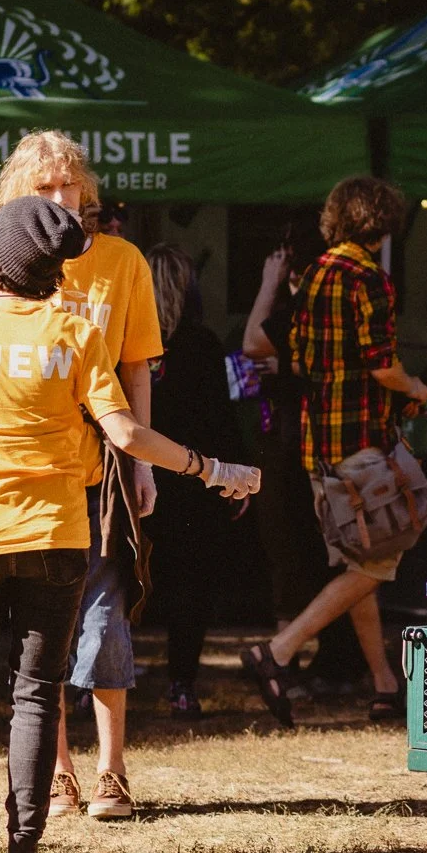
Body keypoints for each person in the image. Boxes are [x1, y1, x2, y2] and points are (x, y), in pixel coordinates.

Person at [0, 198, 258, 853]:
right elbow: (127, 434)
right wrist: (212, 468)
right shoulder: (77, 334)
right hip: (57, 536)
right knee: (36, 694)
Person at [0, 133, 164, 826]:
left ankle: (112, 771)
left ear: (86, 190)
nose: (60, 198)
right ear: (18, 195)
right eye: (44, 188)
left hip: (107, 465)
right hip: (35, 465)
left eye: (69, 185)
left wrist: (143, 462)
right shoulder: (2, 260)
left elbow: (137, 366)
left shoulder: (122, 260)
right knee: (43, 623)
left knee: (107, 616)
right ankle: (57, 773)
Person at [239, 176, 427, 728]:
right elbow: (383, 366)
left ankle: (383, 684)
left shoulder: (317, 272)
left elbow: (296, 356)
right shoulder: (370, 278)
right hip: (363, 442)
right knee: (382, 557)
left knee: (357, 561)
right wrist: (417, 387)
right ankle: (278, 651)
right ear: (383, 222)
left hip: (316, 444)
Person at [240, 225, 370, 699]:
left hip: (301, 447)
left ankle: (298, 658)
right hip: (311, 445)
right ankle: (318, 660)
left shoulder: (306, 308)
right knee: (319, 556)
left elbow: (252, 342)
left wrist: (269, 284)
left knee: (303, 554)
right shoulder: (325, 307)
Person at [144, 244, 245, 718]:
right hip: (194, 479)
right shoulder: (203, 344)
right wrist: (233, 475)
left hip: (137, 476)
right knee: (191, 587)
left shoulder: (126, 341)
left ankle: (90, 683)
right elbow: (221, 419)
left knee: (123, 583)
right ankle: (181, 684)